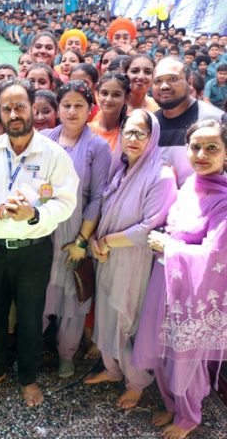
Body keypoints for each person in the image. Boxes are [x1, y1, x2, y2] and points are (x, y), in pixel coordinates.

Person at [0, 78, 79, 406]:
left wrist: (32, 215)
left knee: (31, 317)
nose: (14, 114)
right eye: (7, 108)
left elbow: (66, 202)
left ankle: (28, 377)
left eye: (20, 106)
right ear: (0, 111)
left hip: (33, 250)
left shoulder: (54, 155)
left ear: (33, 108)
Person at [134, 118, 227, 439]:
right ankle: (172, 404)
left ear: (225, 154)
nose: (202, 154)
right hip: (165, 280)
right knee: (161, 349)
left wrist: (168, 246)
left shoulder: (223, 200)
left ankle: (189, 417)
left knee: (186, 358)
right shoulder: (190, 184)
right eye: (196, 147)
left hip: (195, 291)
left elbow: (216, 255)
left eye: (212, 148)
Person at [85, 109, 177, 410]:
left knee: (127, 317)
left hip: (133, 259)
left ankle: (136, 383)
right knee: (107, 314)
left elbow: (149, 227)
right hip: (108, 256)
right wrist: (97, 238)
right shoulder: (120, 168)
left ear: (153, 138)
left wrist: (107, 241)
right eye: (129, 131)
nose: (134, 138)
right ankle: (112, 370)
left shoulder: (161, 175)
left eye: (142, 133)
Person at [40, 81, 111, 378]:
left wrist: (82, 240)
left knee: (72, 295)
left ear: (89, 109)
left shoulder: (97, 147)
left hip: (77, 228)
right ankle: (31, 352)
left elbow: (97, 197)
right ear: (58, 108)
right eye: (66, 105)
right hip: (43, 227)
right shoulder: (43, 139)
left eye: (78, 105)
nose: (71, 111)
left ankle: (66, 354)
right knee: (39, 292)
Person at [153, 57, 226, 186]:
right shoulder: (150, 125)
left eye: (173, 79)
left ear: (189, 81)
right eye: (158, 81)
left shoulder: (216, 120)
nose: (164, 86)